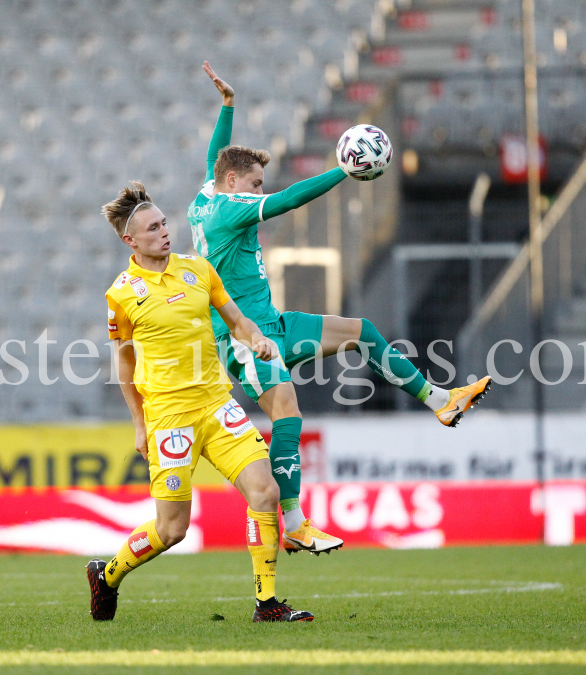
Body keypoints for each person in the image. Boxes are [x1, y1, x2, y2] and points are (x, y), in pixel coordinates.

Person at [187, 62, 491, 553]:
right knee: (288, 410)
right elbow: (286, 202)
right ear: (233, 181)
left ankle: (441, 401)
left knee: (360, 330)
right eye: (254, 183)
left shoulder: (206, 196)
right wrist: (343, 171)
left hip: (275, 325)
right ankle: (295, 521)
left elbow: (211, 160)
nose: (259, 192)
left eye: (260, 185)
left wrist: (228, 106)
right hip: (245, 339)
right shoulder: (228, 209)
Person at [86, 182, 313, 623]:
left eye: (165, 224)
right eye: (152, 229)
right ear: (129, 240)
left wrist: (257, 337)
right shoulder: (122, 294)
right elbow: (126, 366)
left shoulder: (199, 269)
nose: (164, 233)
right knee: (172, 529)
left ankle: (267, 604)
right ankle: (107, 574)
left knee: (265, 492)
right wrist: (139, 423)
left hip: (216, 405)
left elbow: (236, 319)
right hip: (169, 417)